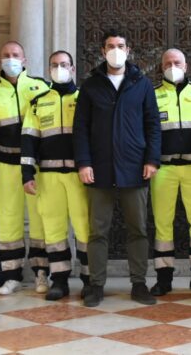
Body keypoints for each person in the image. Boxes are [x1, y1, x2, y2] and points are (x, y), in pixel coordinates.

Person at [73, 30, 161, 307]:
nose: (115, 50)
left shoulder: (142, 84)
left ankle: (139, 283)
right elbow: (81, 130)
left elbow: (153, 125)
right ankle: (96, 285)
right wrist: (84, 163)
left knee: (138, 229)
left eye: (120, 45)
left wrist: (152, 160)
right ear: (102, 51)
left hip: (135, 168)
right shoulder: (90, 86)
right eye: (110, 46)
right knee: (98, 231)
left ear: (128, 49)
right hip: (99, 170)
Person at [0, 41, 50, 295]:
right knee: (8, 222)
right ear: (0, 60)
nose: (11, 59)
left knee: (40, 220)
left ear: (25, 60)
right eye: (6, 55)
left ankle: (42, 273)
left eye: (15, 55)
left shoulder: (41, 87)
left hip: (35, 166)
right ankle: (11, 276)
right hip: (6, 165)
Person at [149, 49, 191, 296]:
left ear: (186, 65)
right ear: (161, 67)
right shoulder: (152, 95)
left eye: (177, 62)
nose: (172, 66)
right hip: (163, 169)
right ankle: (164, 279)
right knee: (162, 224)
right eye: (167, 63)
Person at [21, 51, 90, 301]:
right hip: (48, 175)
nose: (59, 68)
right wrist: (27, 173)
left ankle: (89, 280)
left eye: (64, 65)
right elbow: (29, 139)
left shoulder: (85, 98)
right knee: (54, 229)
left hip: (78, 175)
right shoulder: (38, 102)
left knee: (85, 229)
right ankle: (59, 280)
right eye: (54, 65)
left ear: (73, 69)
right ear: (49, 69)